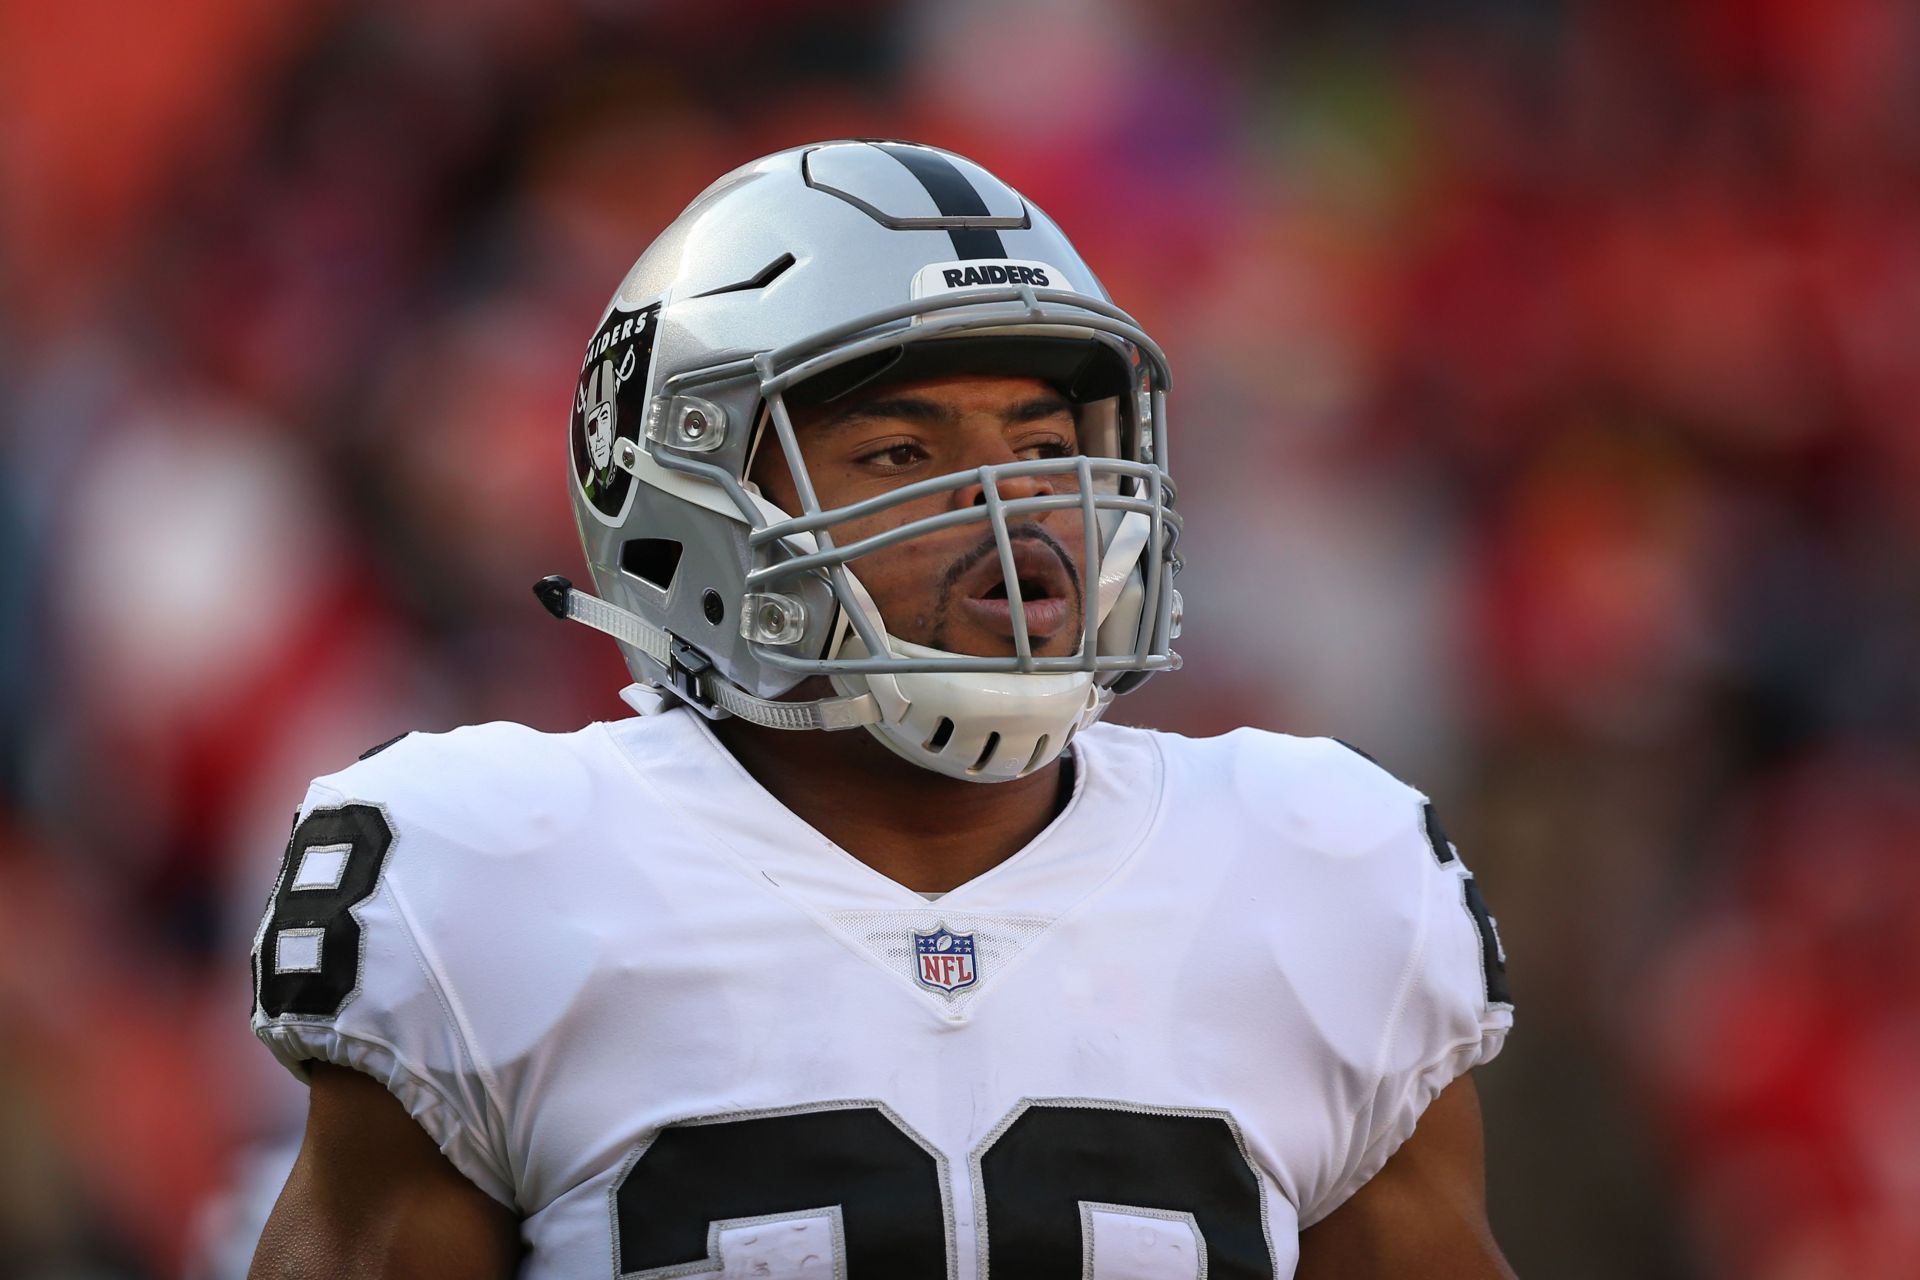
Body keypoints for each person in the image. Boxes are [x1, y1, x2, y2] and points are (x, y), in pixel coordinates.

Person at [245, 140, 1516, 1279]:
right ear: (685, 490)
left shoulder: (1318, 866)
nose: (1014, 509)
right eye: (902, 454)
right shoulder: (494, 873)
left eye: (1044, 448)